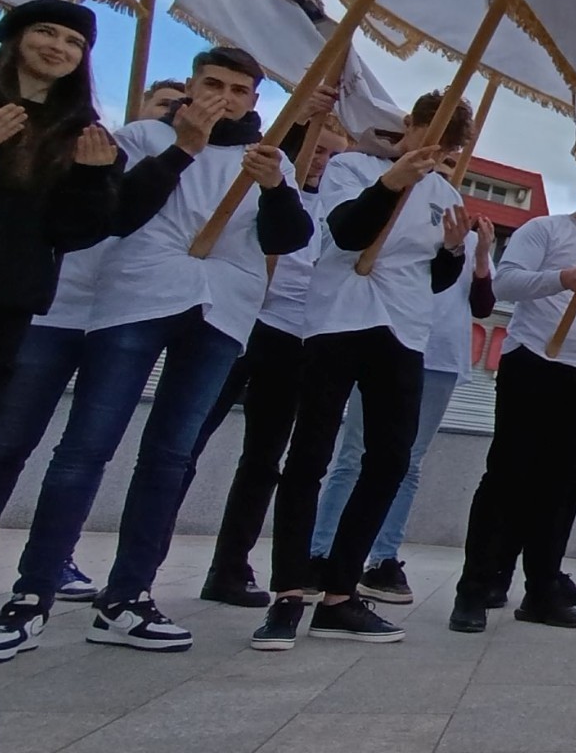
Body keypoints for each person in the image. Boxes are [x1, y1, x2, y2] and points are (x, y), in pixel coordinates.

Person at [0, 47, 312, 662]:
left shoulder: (265, 158)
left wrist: (273, 190)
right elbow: (116, 215)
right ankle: (32, 594)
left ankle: (129, 596)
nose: (226, 99)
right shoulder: (144, 135)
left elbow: (287, 239)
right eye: (214, 84)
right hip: (137, 298)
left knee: (170, 456)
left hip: (223, 310)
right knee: (85, 448)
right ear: (191, 84)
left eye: (240, 90)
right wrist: (183, 146)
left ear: (255, 101)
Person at [253, 91, 471, 650]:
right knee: (311, 455)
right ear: (410, 123)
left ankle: (341, 592)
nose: (438, 150)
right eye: (433, 133)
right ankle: (288, 593)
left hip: (402, 329)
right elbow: (348, 234)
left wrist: (450, 251)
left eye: (449, 146)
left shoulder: (444, 191)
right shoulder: (353, 166)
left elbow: (436, 279)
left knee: (390, 459)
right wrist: (390, 184)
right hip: (339, 320)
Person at [0, 75, 188, 608]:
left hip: (117, 311)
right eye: (163, 103)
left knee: (83, 452)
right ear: (139, 103)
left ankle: (49, 567)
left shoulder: (170, 155)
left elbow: (123, 218)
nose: (172, 111)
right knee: (4, 444)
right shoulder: (103, 139)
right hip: (58, 309)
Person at [448, 182, 576, 632]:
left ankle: (540, 590)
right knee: (507, 477)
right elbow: (506, 282)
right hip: (534, 358)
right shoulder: (544, 230)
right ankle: (475, 588)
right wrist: (561, 278)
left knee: (563, 486)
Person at [185, 107, 347, 608]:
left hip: (296, 339)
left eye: (333, 154)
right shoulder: (268, 184)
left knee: (262, 460)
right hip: (243, 322)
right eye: (317, 148)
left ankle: (229, 567)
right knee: (183, 443)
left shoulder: (340, 202)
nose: (322, 162)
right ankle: (136, 564)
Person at [308, 211, 496, 607]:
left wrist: (480, 258)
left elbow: (482, 306)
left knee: (408, 462)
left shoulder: (468, 233)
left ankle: (383, 558)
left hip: (442, 357)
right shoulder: (398, 213)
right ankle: (319, 552)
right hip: (388, 341)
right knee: (355, 455)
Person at [0, 0, 120, 447]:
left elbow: (71, 233)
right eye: (46, 31)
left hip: (4, 300)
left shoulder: (84, 134)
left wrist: (92, 179)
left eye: (74, 42)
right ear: (17, 37)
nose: (58, 47)